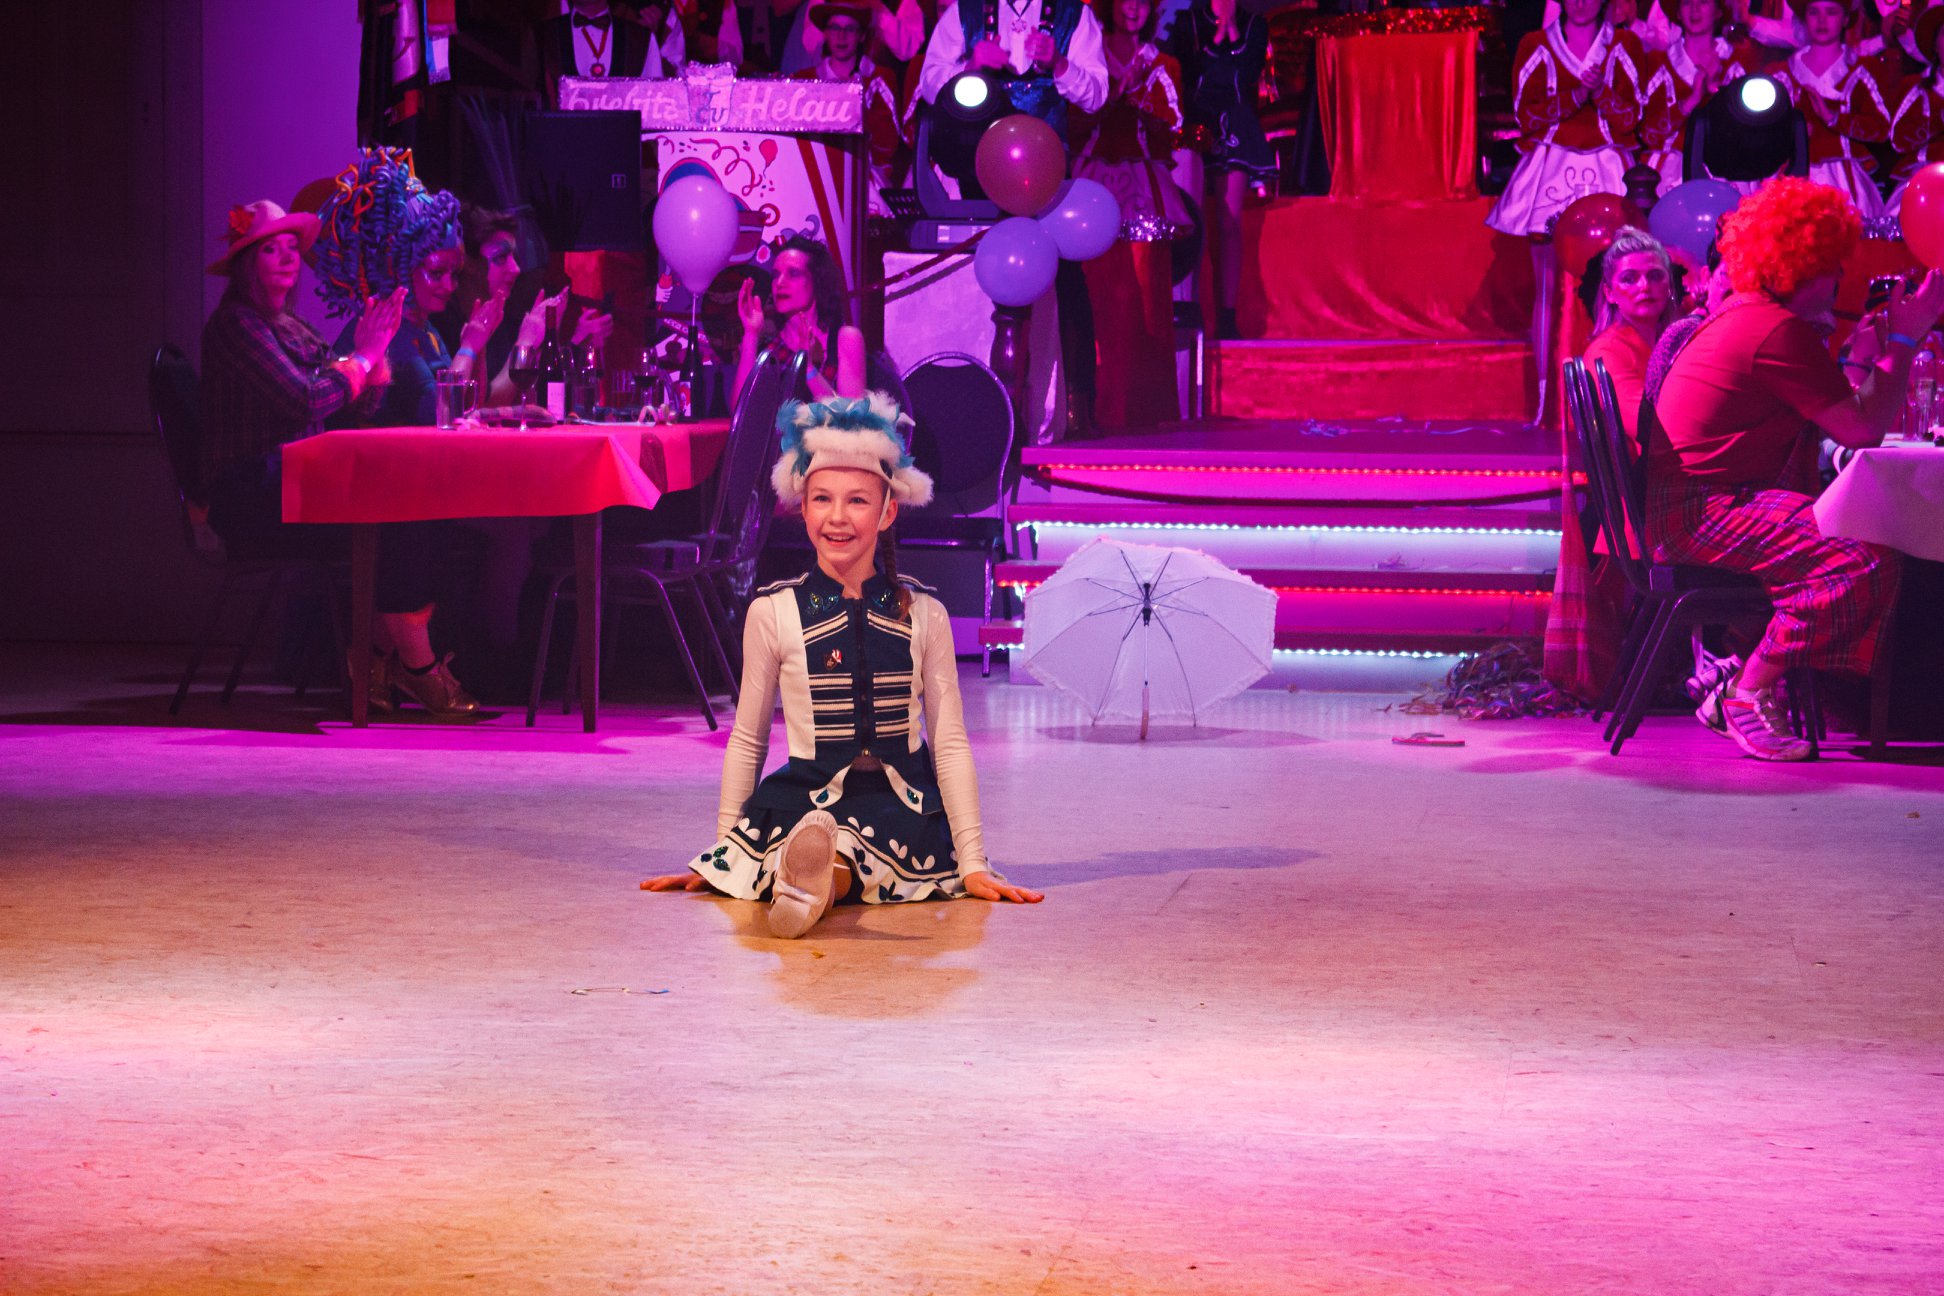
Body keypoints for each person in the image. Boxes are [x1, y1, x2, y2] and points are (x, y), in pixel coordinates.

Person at [641, 393, 1042, 935]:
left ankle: (810, 886)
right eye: (822, 499)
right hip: (802, 799)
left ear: (888, 511)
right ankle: (807, 878)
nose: (837, 517)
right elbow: (748, 739)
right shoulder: (773, 612)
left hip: (902, 809)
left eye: (857, 501)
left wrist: (972, 862)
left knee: (850, 849)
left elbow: (948, 742)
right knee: (814, 837)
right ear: (802, 507)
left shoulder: (926, 614)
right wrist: (723, 858)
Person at [1645, 177, 1933, 760]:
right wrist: (1906, 335)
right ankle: (1746, 692)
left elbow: (1848, 414)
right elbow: (1860, 429)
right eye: (1830, 266)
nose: (1840, 278)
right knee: (1861, 556)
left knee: (1862, 539)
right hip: (1699, 511)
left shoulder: (1751, 316)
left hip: (1700, 501)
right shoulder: (1774, 329)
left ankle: (1735, 677)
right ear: (1800, 267)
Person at [198, 199, 476, 717]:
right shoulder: (237, 326)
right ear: (246, 264)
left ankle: (376, 659)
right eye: (270, 250)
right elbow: (306, 399)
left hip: (297, 484)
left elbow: (348, 403)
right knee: (397, 511)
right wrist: (362, 358)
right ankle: (411, 663)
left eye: (291, 248)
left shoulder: (290, 325)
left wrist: (375, 358)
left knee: (419, 501)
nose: (287, 258)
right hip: (254, 496)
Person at [1071, 0, 1193, 429]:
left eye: (1143, 0)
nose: (1134, 8)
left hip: (1143, 187)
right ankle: (1095, 406)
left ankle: (1144, 409)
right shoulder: (1087, 55)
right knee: (1098, 292)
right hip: (1091, 183)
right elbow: (1074, 118)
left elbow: (1173, 126)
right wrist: (1116, 93)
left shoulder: (1164, 64)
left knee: (1146, 295)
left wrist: (1139, 98)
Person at [1487, 0, 1650, 241]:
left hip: (1610, 165)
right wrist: (1576, 96)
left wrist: (1600, 91)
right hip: (1548, 165)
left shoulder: (1624, 44)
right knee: (1546, 241)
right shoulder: (1536, 45)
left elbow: (1631, 119)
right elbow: (1525, 116)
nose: (1580, 3)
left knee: (1613, 245)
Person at [1171, 0, 1273, 341]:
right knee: (1191, 220)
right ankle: (1189, 308)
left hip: (1236, 124)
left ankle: (1227, 317)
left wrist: (1231, 29)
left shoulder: (1254, 25)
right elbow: (1191, 74)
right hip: (1196, 124)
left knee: (1229, 223)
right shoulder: (1188, 22)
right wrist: (1218, 35)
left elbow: (1247, 74)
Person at [1772, 0, 1898, 221]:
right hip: (1792, 177)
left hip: (1846, 182)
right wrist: (1792, 132)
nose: (1822, 20)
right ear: (1804, 19)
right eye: (1814, 12)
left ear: (1846, 19)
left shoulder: (1863, 71)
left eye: (1831, 12)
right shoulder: (1781, 73)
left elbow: (1882, 127)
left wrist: (1833, 119)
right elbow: (1764, 129)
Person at [1639, 0, 1765, 195]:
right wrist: (1691, 101)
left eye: (1704, 2)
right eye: (1687, 3)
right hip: (1669, 175)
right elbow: (1647, 135)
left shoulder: (1741, 62)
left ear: (1718, 12)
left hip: (1728, 172)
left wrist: (1716, 90)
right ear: (1678, 13)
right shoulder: (1657, 62)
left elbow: (1753, 132)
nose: (1694, 9)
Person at [793, 0, 912, 197]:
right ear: (825, 33)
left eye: (850, 29)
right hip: (815, 175)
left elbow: (887, 145)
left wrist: (856, 106)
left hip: (865, 177)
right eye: (835, 28)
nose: (841, 36)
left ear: (861, 36)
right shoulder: (805, 80)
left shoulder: (879, 79)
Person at [733, 235, 867, 402]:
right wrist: (751, 333)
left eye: (793, 273)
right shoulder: (771, 349)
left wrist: (808, 369)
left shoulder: (846, 338)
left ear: (817, 281)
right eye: (775, 275)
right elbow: (740, 411)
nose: (779, 283)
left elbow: (850, 415)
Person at [1886, 7, 1944, 215]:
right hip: (1923, 177)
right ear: (1935, 44)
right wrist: (1938, 120)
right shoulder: (1915, 88)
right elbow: (1897, 140)